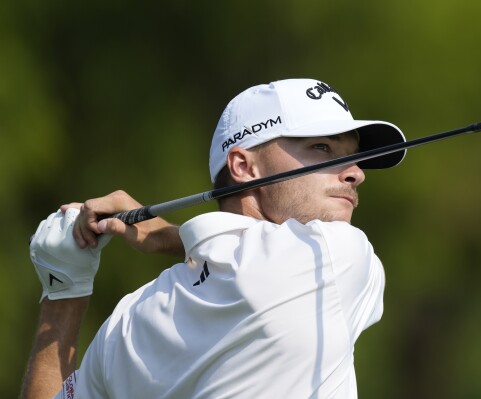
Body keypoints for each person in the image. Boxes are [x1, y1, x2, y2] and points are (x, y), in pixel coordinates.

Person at [21, 78, 406, 398]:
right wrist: (172, 237)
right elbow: (242, 258)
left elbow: (231, 256)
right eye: (322, 148)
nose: (356, 173)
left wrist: (64, 290)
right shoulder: (337, 255)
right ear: (243, 166)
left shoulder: (129, 321)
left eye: (352, 157)